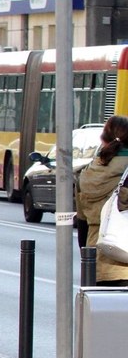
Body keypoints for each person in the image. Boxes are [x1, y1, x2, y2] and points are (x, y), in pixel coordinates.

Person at [76, 116, 128, 286]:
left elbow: (82, 223)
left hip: (97, 261)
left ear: (103, 139)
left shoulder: (87, 174)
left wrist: (89, 258)